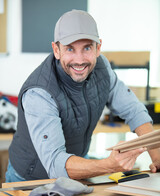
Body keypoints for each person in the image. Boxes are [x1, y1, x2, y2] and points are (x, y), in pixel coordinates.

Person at [6, 10, 160, 182]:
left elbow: (133, 110)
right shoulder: (39, 92)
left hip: (76, 168)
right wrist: (108, 165)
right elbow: (56, 164)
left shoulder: (102, 68)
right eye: (70, 49)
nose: (79, 60)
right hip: (30, 179)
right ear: (56, 50)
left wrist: (156, 155)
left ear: (98, 48)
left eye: (87, 48)